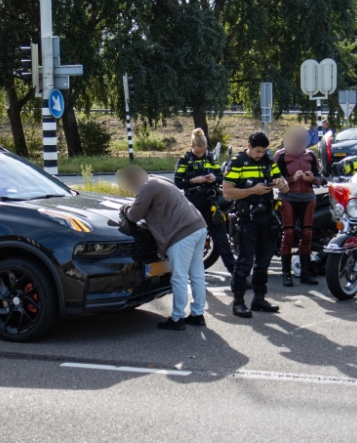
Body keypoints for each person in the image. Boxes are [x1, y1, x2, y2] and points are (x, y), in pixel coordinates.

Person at [117, 165, 208, 331]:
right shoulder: (159, 180)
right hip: (198, 226)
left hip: (181, 234)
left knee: (179, 277)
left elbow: (133, 215)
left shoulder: (147, 187)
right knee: (197, 274)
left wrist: (125, 207)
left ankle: (177, 318)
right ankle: (197, 314)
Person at [222, 131, 289, 318]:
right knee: (244, 262)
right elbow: (227, 192)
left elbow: (286, 187)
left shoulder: (268, 161)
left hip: (267, 216)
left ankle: (259, 299)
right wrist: (252, 190)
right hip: (247, 218)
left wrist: (280, 183)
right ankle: (238, 302)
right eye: (258, 151)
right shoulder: (237, 162)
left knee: (264, 261)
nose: (261, 155)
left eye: (264, 151)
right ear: (249, 146)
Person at [174, 128, 236, 274]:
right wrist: (193, 181)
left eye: (203, 151)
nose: (201, 154)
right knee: (191, 240)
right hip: (193, 202)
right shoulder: (184, 159)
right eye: (198, 152)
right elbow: (178, 182)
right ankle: (185, 271)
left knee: (222, 239)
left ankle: (235, 273)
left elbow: (221, 178)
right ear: (191, 147)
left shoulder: (210, 157)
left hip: (211, 202)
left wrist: (214, 178)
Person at [274, 126, 326, 287]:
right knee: (288, 233)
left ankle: (305, 272)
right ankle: (286, 273)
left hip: (308, 197)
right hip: (288, 197)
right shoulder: (281, 155)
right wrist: (291, 179)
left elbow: (320, 179)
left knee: (307, 234)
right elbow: (274, 179)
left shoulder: (310, 155)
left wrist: (313, 179)